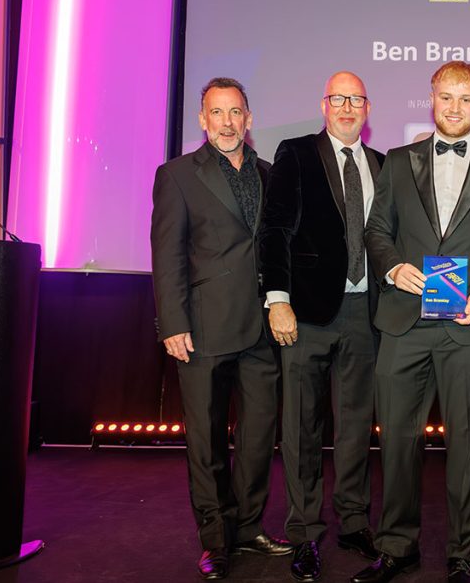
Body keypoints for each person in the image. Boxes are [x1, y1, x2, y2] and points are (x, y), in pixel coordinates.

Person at [354, 61, 470, 583]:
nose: (455, 107)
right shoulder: (397, 162)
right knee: (396, 442)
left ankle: (461, 554)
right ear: (431, 98)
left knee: (467, 445)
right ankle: (396, 547)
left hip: (469, 328)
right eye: (446, 97)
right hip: (404, 324)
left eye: (465, 98)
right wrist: (393, 266)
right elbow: (376, 231)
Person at [151, 77, 292, 580]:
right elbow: (167, 253)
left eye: (235, 113)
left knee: (258, 436)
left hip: (262, 329)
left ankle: (249, 527)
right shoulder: (177, 175)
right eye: (217, 112)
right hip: (203, 328)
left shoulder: (270, 173)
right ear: (202, 119)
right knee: (207, 441)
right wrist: (173, 322)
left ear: (249, 119)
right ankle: (214, 539)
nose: (227, 122)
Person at [257, 72, 384, 582]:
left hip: (365, 313)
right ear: (324, 105)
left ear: (367, 108)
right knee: (302, 428)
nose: (347, 107)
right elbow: (274, 229)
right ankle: (305, 531)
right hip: (305, 313)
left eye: (356, 99)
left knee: (355, 426)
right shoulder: (296, 153)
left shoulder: (382, 164)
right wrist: (277, 299)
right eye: (338, 98)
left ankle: (353, 521)